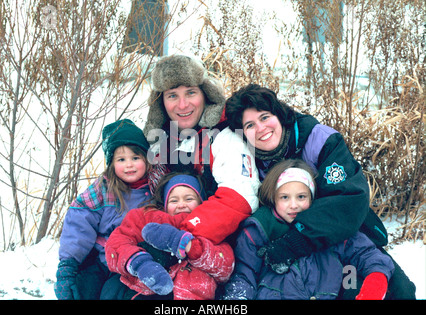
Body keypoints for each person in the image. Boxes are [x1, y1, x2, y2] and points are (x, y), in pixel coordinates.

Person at [224, 84, 416, 299]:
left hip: (338, 237)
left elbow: (347, 199)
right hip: (276, 249)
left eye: (265, 117)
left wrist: (297, 240)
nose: (260, 128)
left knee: (399, 291)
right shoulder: (241, 155)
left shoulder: (319, 140)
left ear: (279, 114)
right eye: (250, 125)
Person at [223, 159, 395, 300]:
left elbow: (368, 255)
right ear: (273, 198)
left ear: (312, 198)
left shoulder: (329, 228)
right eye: (284, 197)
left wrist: (374, 286)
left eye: (301, 197)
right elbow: (244, 276)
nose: (293, 205)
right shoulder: (258, 231)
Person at [142, 54, 260, 245]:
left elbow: (240, 198)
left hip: (214, 245)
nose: (183, 105)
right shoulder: (157, 142)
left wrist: (181, 237)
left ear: (206, 94)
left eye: (191, 93)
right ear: (161, 102)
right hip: (163, 235)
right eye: (172, 95)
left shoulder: (224, 137)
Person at [54, 119, 167, 300]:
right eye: (121, 159)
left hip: (135, 262)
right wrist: (68, 264)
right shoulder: (104, 188)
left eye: (135, 158)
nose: (129, 164)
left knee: (112, 295)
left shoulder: (157, 188)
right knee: (82, 290)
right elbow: (79, 220)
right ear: (112, 163)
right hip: (103, 260)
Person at [102, 172, 235, 300]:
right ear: (165, 205)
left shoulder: (211, 225)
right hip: (143, 291)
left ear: (201, 202)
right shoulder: (147, 217)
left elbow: (224, 267)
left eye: (189, 199)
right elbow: (117, 242)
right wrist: (139, 263)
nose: (181, 204)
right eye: (173, 200)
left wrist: (190, 246)